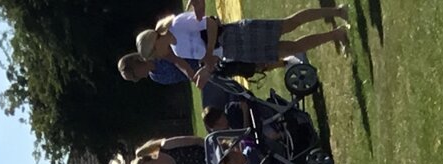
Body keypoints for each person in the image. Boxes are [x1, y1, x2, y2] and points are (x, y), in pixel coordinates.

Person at [138, 4, 350, 86]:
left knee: (289, 25)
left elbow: (211, 23)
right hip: (234, 51)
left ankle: (338, 11)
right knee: (291, 49)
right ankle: (336, 34)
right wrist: (206, 69)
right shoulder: (178, 50)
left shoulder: (177, 25)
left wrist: (210, 52)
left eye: (154, 52)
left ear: (156, 41)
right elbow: (209, 58)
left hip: (236, 34)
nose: (158, 56)